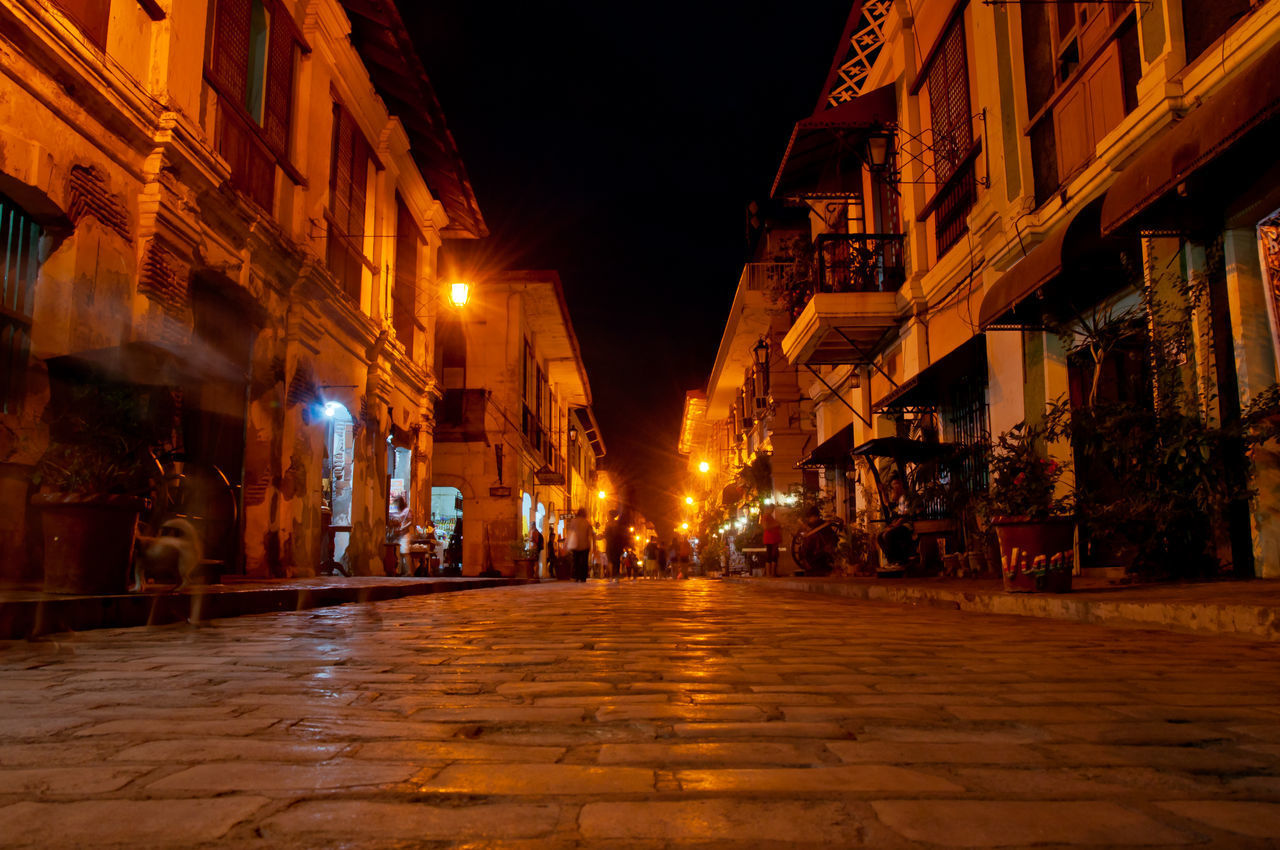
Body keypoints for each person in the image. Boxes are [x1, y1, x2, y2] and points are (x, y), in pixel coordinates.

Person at [877, 474, 915, 569]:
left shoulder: (905, 498)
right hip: (897, 525)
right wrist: (882, 491)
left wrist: (893, 527)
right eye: (893, 484)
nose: (895, 486)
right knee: (880, 537)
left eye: (896, 483)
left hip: (906, 526)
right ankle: (891, 560)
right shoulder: (897, 501)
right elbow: (886, 503)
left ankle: (899, 560)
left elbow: (904, 517)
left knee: (889, 535)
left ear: (901, 484)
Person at [566, 507, 594, 582]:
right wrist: (590, 545)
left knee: (576, 561)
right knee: (584, 562)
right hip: (585, 545)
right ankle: (583, 577)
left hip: (576, 545)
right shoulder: (587, 522)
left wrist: (567, 542)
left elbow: (570, 532)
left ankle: (577, 576)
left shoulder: (573, 521)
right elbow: (589, 535)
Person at [388, 494, 414, 576]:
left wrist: (403, 528)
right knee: (400, 553)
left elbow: (410, 522)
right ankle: (402, 571)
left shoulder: (407, 511)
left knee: (405, 552)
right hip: (398, 535)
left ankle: (408, 571)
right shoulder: (399, 511)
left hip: (405, 534)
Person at [604, 512, 626, 581]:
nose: (607, 517)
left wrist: (603, 536)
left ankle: (612, 575)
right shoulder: (616, 524)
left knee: (611, 559)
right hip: (616, 545)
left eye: (608, 515)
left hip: (611, 544)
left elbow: (608, 534)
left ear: (611, 516)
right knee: (616, 560)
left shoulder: (609, 524)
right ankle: (615, 575)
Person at [761, 507, 783, 577]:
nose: (772, 510)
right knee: (771, 555)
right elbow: (766, 527)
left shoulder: (770, 517)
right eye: (771, 509)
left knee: (773, 555)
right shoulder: (766, 516)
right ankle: (770, 573)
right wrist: (777, 525)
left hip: (774, 539)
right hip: (770, 539)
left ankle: (772, 573)